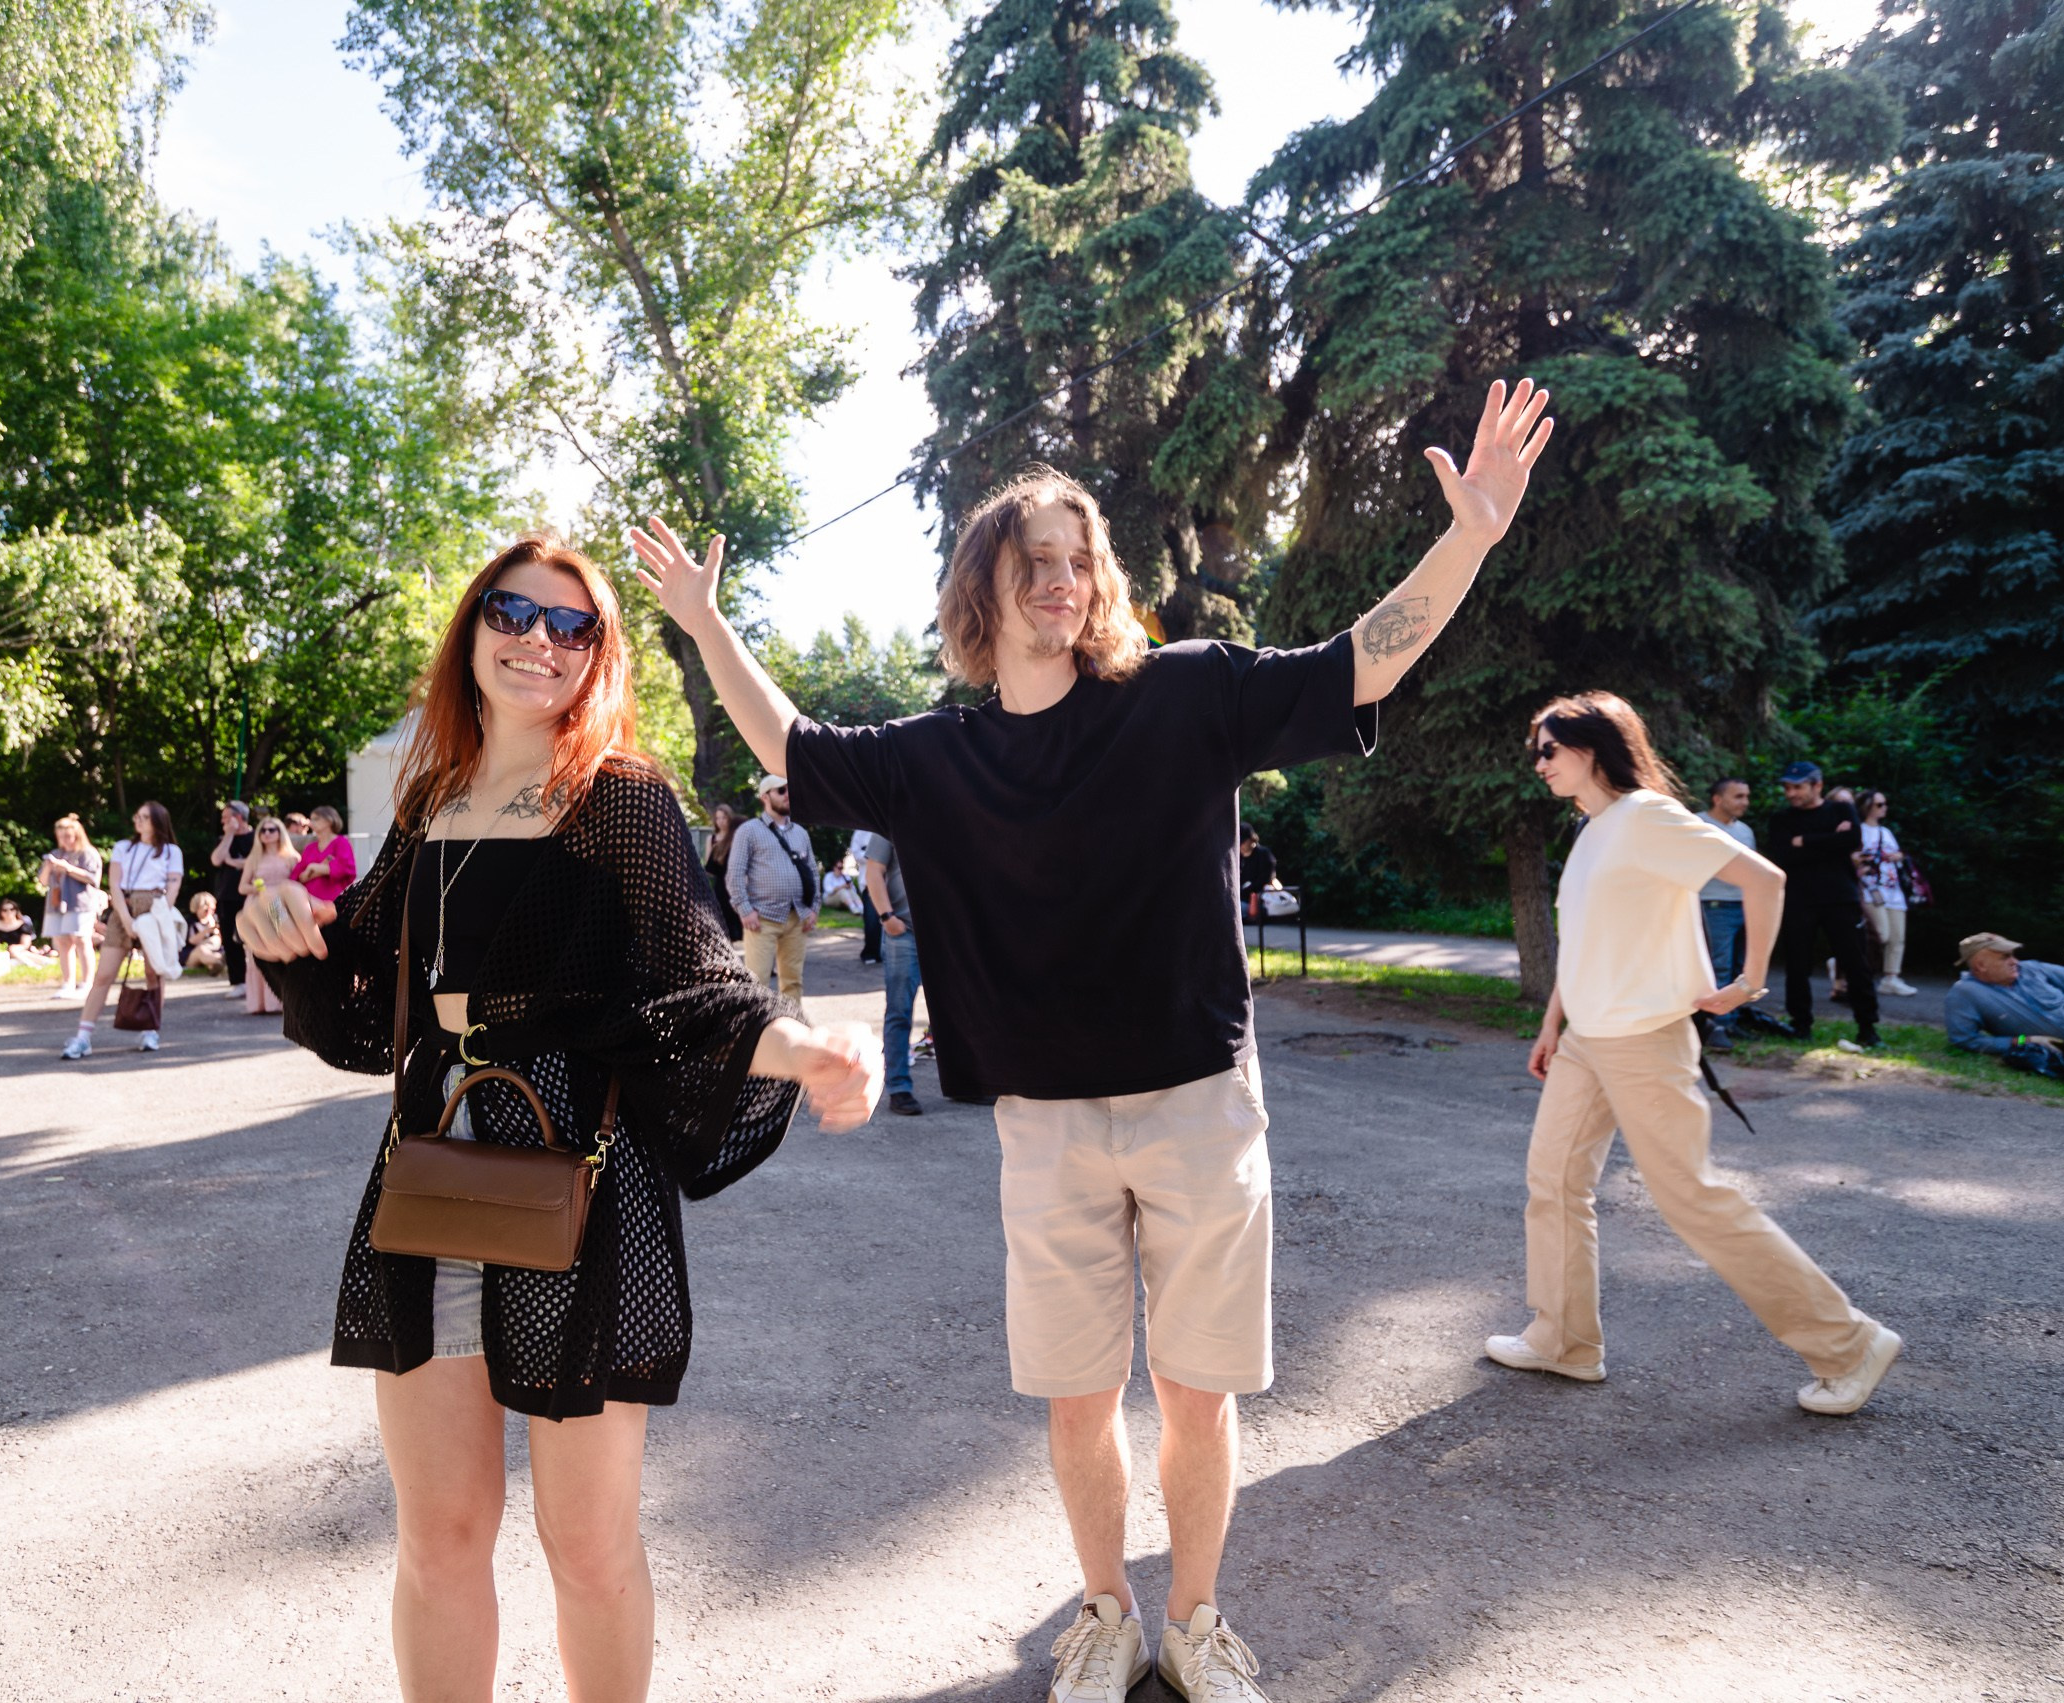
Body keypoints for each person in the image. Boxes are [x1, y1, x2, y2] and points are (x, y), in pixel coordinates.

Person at [632, 376, 1557, 1703]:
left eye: (1077, 557)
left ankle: (1197, 1620)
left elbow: (1361, 659)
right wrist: (706, 621)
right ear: (984, 588)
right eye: (1033, 560)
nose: (1060, 580)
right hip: (1046, 1121)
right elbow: (789, 740)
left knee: (1195, 1390)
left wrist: (1467, 537)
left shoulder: (1187, 692)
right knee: (1077, 1397)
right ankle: (1106, 1613)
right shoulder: (936, 754)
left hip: (1198, 1100)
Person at [235, 531, 878, 1703]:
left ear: (598, 652)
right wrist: (279, 930)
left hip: (582, 1176)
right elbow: (362, 984)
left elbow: (691, 983)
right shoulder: (431, 796)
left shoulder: (620, 796)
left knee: (586, 1545)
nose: (539, 640)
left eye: (572, 624)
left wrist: (799, 1050)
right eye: (513, 613)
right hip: (436, 1164)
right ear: (472, 629)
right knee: (439, 1535)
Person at [1488, 693, 1903, 1419]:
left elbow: (1764, 880)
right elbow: (1585, 941)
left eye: (1548, 749)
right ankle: (1564, 1340)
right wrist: (1553, 1023)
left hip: (1644, 1038)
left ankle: (1849, 1344)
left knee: (1692, 1198)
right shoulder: (1591, 831)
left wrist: (1748, 982)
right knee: (1552, 1182)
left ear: (1593, 748)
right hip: (1587, 1040)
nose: (1538, 763)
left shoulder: (1648, 816)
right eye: (1535, 752)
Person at [1766, 761, 1879, 1053]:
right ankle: (1800, 1025)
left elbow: (1852, 840)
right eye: (1787, 787)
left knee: (1855, 962)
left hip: (1840, 898)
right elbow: (1782, 855)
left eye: (1798, 787)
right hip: (1799, 900)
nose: (1791, 793)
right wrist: (1831, 840)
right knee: (1797, 964)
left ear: (1817, 785)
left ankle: (1868, 1027)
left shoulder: (1841, 810)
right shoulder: (1781, 819)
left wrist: (1804, 841)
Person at [61, 802, 183, 1058]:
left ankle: (151, 1029)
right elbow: (114, 884)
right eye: (138, 816)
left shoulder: (171, 851)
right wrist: (126, 920)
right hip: (124, 908)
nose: (138, 820)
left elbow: (173, 887)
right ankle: (83, 1037)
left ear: (157, 821)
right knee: (103, 975)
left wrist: (159, 916)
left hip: (155, 908)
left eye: (145, 817)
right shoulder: (123, 847)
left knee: (154, 973)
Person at [726, 774, 818, 1014]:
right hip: (762, 918)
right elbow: (735, 874)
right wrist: (745, 910)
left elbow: (812, 873)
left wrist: (814, 908)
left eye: (790, 789)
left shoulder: (800, 833)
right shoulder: (749, 830)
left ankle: (793, 1027)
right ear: (765, 797)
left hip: (797, 916)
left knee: (793, 982)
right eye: (781, 790)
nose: (788, 795)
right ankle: (757, 1032)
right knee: (757, 984)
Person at [866, 833, 925, 1117]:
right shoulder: (890, 816)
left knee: (956, 1013)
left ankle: (965, 1083)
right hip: (905, 932)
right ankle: (898, 1086)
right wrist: (887, 917)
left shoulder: (954, 814)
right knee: (900, 1011)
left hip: (947, 933)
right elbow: (873, 870)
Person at [1695, 779, 1756, 1051]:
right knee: (1717, 967)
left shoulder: (1745, 831)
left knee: (1739, 968)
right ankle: (1713, 1027)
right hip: (1713, 905)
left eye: (1746, 796)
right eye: (1738, 796)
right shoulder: (1698, 824)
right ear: (1717, 799)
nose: (1745, 802)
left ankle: (1731, 1022)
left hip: (1743, 905)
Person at [1854, 790, 1916, 997]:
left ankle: (1891, 978)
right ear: (1867, 807)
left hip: (1893, 889)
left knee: (1897, 937)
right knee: (1880, 933)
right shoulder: (1858, 831)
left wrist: (1897, 856)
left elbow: (1897, 855)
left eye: (1884, 804)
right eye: (1879, 804)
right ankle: (1844, 962)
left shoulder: (1886, 832)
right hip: (1870, 888)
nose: (1884, 808)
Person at [238, 817, 301, 1016]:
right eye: (262, 830)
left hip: (281, 905)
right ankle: (260, 1002)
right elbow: (242, 887)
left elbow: (300, 882)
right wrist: (260, 889)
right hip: (258, 904)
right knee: (259, 949)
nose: (266, 833)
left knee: (283, 946)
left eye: (271, 829)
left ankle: (284, 1001)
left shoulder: (292, 857)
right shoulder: (254, 858)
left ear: (280, 832)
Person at [41, 816, 105, 1000]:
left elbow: (93, 878)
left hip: (80, 903)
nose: (65, 840)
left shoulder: (88, 853)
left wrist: (68, 869)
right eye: (61, 836)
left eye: (68, 836)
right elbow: (43, 881)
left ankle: (87, 984)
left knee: (81, 940)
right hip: (56, 904)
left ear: (77, 835)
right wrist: (48, 867)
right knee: (62, 942)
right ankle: (68, 983)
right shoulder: (56, 853)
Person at [210, 800, 255, 999]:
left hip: (253, 894)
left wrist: (235, 862)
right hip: (227, 896)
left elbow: (260, 860)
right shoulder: (223, 839)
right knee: (230, 940)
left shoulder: (258, 836)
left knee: (259, 936)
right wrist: (229, 834)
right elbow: (216, 860)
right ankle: (239, 982)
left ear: (239, 817)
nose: (222, 821)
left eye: (226, 817)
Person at [291, 804, 359, 906]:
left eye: (316, 819)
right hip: (307, 902)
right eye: (311, 819)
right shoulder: (310, 847)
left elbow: (347, 869)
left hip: (333, 902)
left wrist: (314, 868)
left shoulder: (341, 842)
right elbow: (298, 875)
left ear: (329, 820)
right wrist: (319, 869)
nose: (311, 823)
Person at [703, 803, 743, 943]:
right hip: (720, 884)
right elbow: (709, 867)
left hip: (735, 882)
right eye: (717, 818)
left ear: (729, 818)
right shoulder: (712, 839)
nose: (720, 821)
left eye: (724, 817)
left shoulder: (736, 837)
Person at [849, 828, 882, 964]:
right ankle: (870, 953)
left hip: (889, 883)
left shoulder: (886, 827)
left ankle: (882, 952)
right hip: (869, 884)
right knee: (872, 920)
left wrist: (870, 853)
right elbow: (856, 853)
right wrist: (875, 855)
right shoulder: (860, 831)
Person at [0, 898, 51, 969]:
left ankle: (33, 965)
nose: (9, 912)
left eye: (12, 909)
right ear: (0, 912)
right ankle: (40, 962)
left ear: (16, 910)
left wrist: (13, 949)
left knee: (14, 950)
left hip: (21, 950)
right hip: (3, 952)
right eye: (5, 910)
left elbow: (26, 944)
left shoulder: (23, 924)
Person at [1237, 827, 1277, 918]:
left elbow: (1265, 880)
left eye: (1242, 842)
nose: (1240, 845)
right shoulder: (1238, 857)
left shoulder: (1263, 854)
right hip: (1241, 899)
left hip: (1258, 901)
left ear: (1251, 839)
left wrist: (1246, 890)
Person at [184, 891, 227, 974]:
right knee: (201, 950)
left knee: (215, 940)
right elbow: (191, 941)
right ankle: (221, 961)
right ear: (197, 908)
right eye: (206, 910)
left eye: (212, 909)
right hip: (192, 954)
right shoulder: (190, 922)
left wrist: (215, 929)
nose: (210, 912)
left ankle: (216, 964)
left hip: (212, 951)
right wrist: (207, 930)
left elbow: (222, 941)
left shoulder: (215, 919)